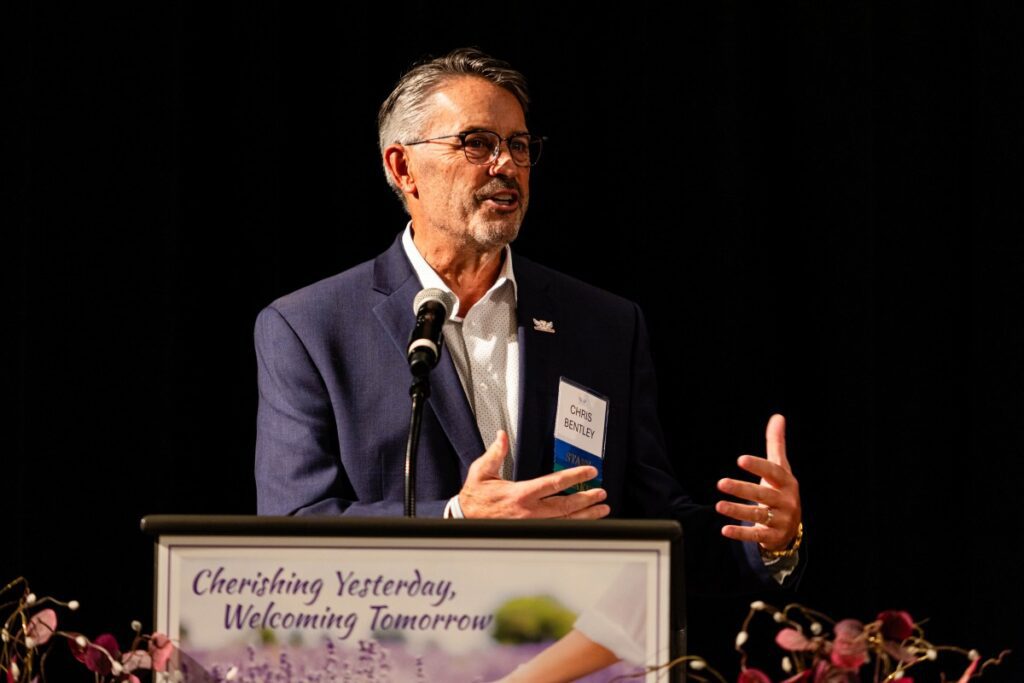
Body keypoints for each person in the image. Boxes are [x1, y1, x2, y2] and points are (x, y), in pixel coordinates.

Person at [254, 48, 803, 595]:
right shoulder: (310, 327)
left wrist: (767, 539)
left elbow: (650, 519)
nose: (507, 165)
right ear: (403, 167)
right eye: (477, 143)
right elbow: (293, 525)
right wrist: (455, 519)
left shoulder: (604, 324)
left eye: (518, 145)